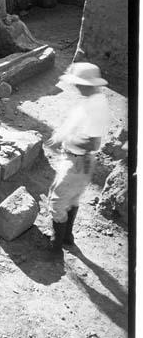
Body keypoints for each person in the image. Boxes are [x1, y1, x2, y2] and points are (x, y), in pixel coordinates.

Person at [47, 62, 110, 251]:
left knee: (57, 202)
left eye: (78, 83)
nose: (75, 86)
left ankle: (55, 246)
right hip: (81, 160)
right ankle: (66, 238)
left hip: (77, 160)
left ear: (88, 84)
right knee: (72, 198)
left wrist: (65, 139)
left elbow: (93, 143)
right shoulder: (95, 100)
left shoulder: (95, 107)